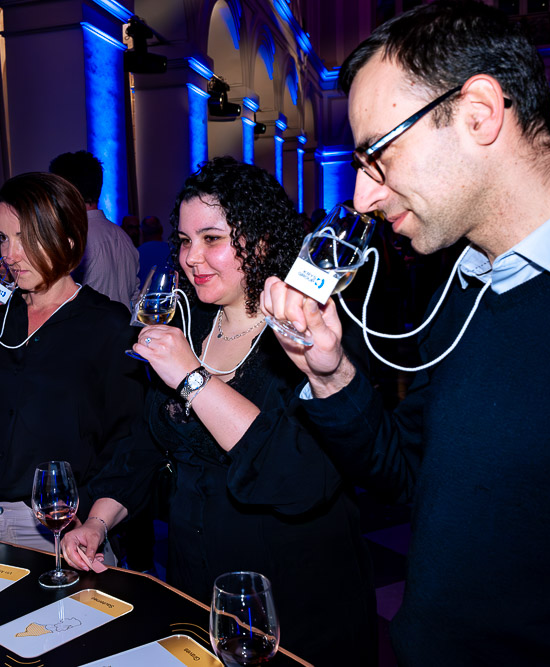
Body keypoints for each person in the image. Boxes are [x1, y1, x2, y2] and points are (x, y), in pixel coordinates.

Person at [261, 2, 550, 664]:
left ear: (479, 113)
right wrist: (329, 371)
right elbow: (413, 478)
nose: (363, 197)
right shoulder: (456, 284)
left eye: (377, 156)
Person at [62, 157, 377, 667]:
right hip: (196, 589)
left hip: (295, 599)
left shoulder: (310, 336)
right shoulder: (190, 326)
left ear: (260, 240)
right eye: (185, 241)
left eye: (212, 239)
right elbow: (145, 446)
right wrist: (98, 522)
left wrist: (193, 379)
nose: (192, 258)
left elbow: (297, 477)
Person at [0, 172, 144, 554]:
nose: (10, 254)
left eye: (26, 238)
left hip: (60, 531)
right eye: (5, 238)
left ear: (68, 238)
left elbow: (129, 445)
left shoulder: (105, 325)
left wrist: (93, 521)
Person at [49, 151, 139, 307]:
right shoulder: (123, 236)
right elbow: (135, 297)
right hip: (122, 327)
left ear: (65, 191)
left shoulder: (74, 240)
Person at [137, 214, 170, 283]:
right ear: (161, 230)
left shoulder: (137, 253)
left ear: (142, 232)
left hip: (143, 293)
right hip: (168, 293)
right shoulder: (172, 251)